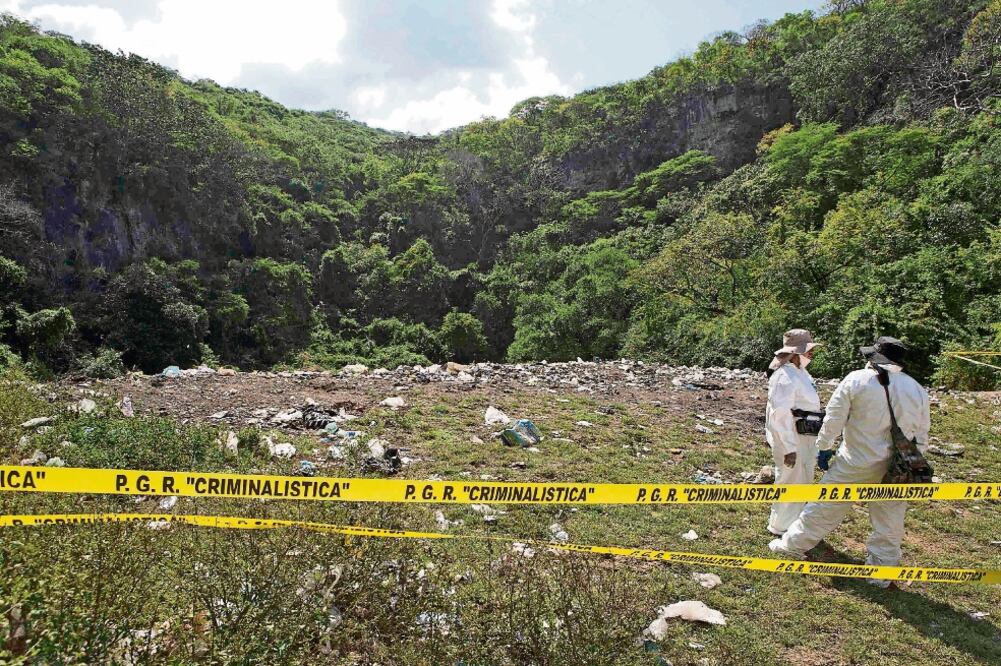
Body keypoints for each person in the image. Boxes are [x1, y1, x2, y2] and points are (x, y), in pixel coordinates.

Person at [769, 336, 931, 589]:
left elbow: (834, 419)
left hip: (855, 461)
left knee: (824, 508)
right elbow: (921, 434)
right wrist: (911, 463)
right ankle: (881, 572)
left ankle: (792, 546)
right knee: (889, 520)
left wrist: (824, 447)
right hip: (896, 467)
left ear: (874, 359)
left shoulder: (856, 380)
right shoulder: (917, 389)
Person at [764, 329, 823, 536]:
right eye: (807, 350)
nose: (811, 354)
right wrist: (789, 448)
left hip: (805, 436)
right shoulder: (785, 376)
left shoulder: (801, 374)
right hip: (792, 438)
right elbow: (779, 415)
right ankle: (780, 527)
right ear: (795, 352)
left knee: (803, 481)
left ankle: (795, 525)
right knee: (790, 481)